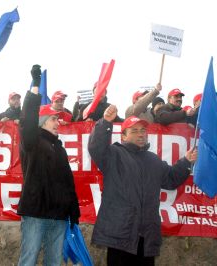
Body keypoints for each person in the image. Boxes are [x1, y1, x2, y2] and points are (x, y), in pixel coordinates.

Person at [88, 107, 198, 265]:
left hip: (147, 236)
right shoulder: (113, 154)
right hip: (121, 235)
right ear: (124, 135)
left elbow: (171, 179)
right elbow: (96, 147)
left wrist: (186, 161)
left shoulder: (153, 159)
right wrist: (105, 122)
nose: (140, 134)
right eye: (134, 131)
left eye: (143, 130)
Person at [17, 65, 80, 265]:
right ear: (42, 121)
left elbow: (68, 182)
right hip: (36, 213)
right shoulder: (32, 142)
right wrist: (35, 87)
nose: (57, 122)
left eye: (58, 119)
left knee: (53, 261)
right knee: (29, 259)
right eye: (53, 119)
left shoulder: (59, 148)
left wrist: (73, 211)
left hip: (59, 215)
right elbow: (27, 119)